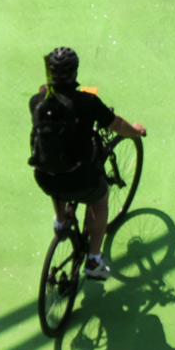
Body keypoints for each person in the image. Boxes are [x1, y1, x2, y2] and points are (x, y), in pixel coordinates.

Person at [29, 45, 145, 280]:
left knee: (54, 169)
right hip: (80, 178)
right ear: (75, 72)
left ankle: (61, 222)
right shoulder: (87, 102)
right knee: (100, 199)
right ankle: (93, 260)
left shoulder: (37, 102)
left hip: (44, 178)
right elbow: (117, 125)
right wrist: (135, 131)